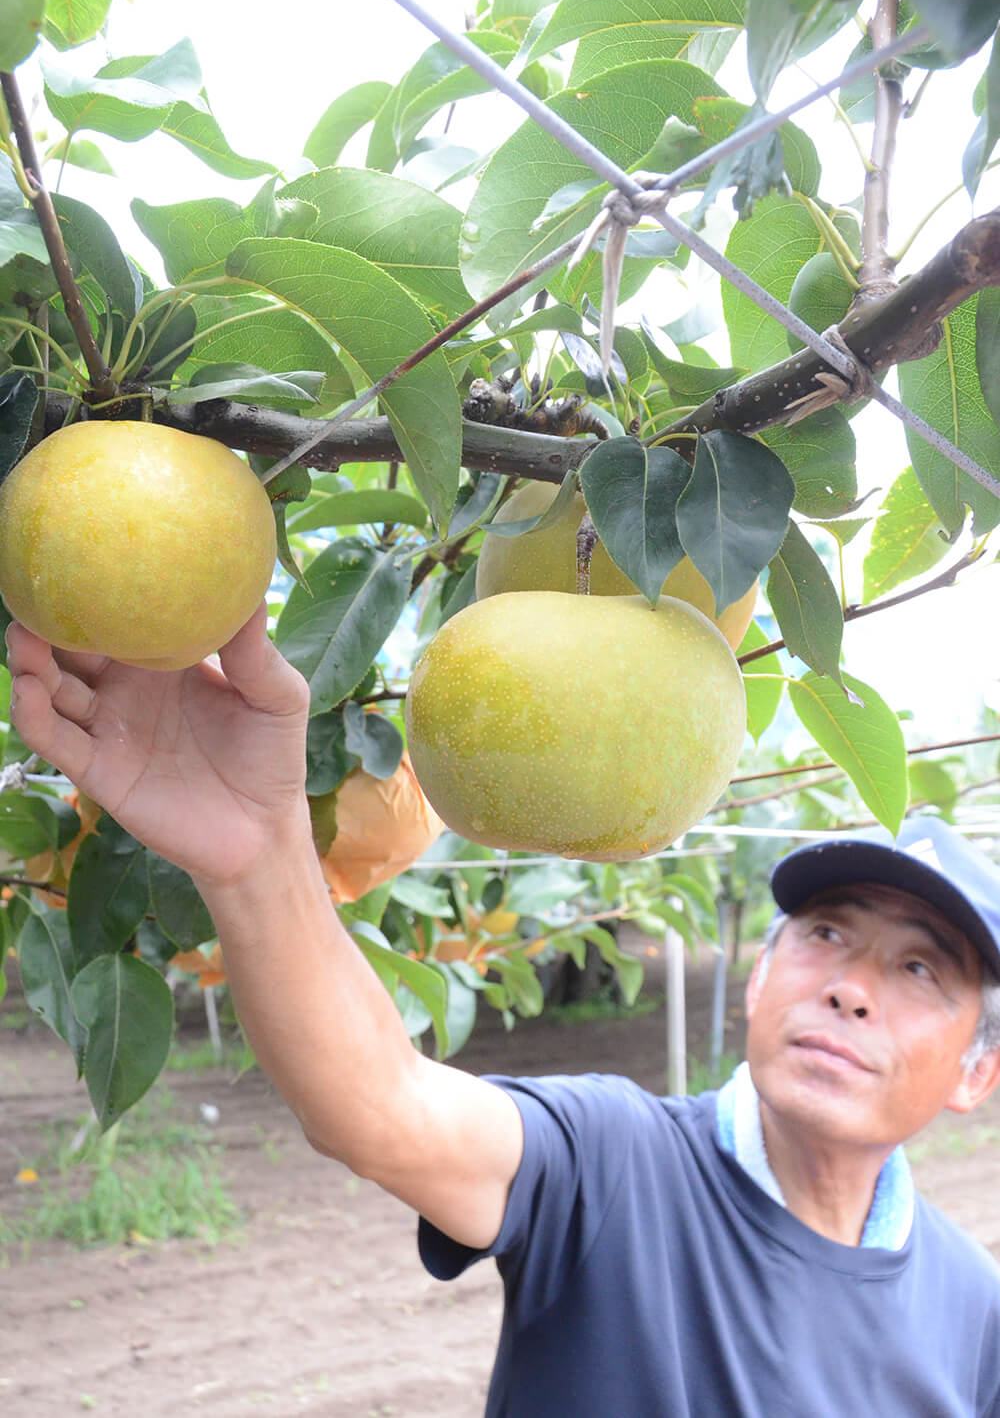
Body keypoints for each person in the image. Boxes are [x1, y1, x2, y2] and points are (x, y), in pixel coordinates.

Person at [6, 606, 1000, 1416]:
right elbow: (380, 1105)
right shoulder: (616, 1163)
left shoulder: (974, 1310)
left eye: (920, 970)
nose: (851, 985)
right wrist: (259, 849)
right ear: (757, 976)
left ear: (975, 1070)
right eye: (826, 933)